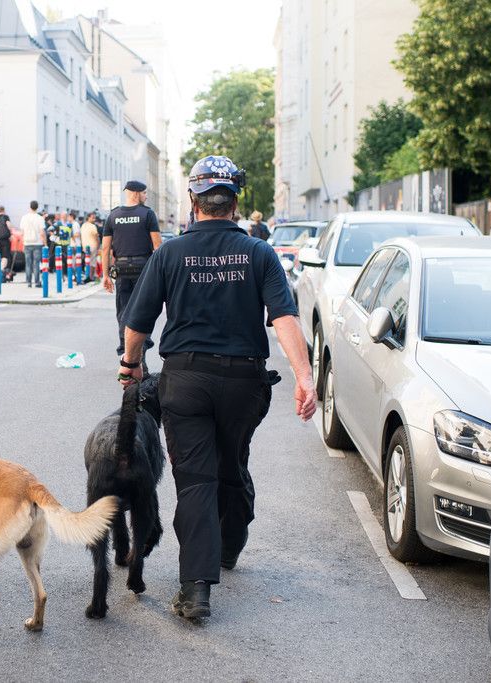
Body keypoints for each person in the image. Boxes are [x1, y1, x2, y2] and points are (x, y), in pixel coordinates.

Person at [116, 155, 317, 622]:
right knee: (232, 463)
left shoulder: (170, 254)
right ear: (235, 203)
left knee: (196, 480)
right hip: (244, 384)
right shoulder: (259, 253)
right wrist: (304, 376)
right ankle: (229, 544)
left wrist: (131, 366)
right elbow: (284, 318)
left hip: (185, 381)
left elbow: (137, 323)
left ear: (194, 201)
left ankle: (195, 589)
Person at [101, 180, 161, 356]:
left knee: (124, 312)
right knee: (144, 310)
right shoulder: (148, 214)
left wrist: (105, 275)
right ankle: (140, 350)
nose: (146, 196)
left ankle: (125, 351)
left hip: (121, 269)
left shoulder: (113, 215)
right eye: (144, 193)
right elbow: (158, 246)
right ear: (136, 193)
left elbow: (105, 248)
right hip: (143, 268)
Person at [20, 200, 47, 287]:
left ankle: (29, 282)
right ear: (37, 207)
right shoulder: (40, 218)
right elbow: (42, 232)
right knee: (36, 263)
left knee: (28, 263)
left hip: (27, 243)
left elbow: (22, 232)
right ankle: (37, 282)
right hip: (37, 243)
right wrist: (45, 243)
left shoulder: (24, 217)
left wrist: (22, 243)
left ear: (30, 207)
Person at [80, 212, 100, 281]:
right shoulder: (93, 226)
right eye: (93, 218)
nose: (94, 219)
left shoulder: (83, 225)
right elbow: (96, 237)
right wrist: (98, 246)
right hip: (93, 246)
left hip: (85, 246)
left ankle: (88, 276)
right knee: (92, 262)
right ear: (88, 217)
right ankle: (91, 277)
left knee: (87, 262)